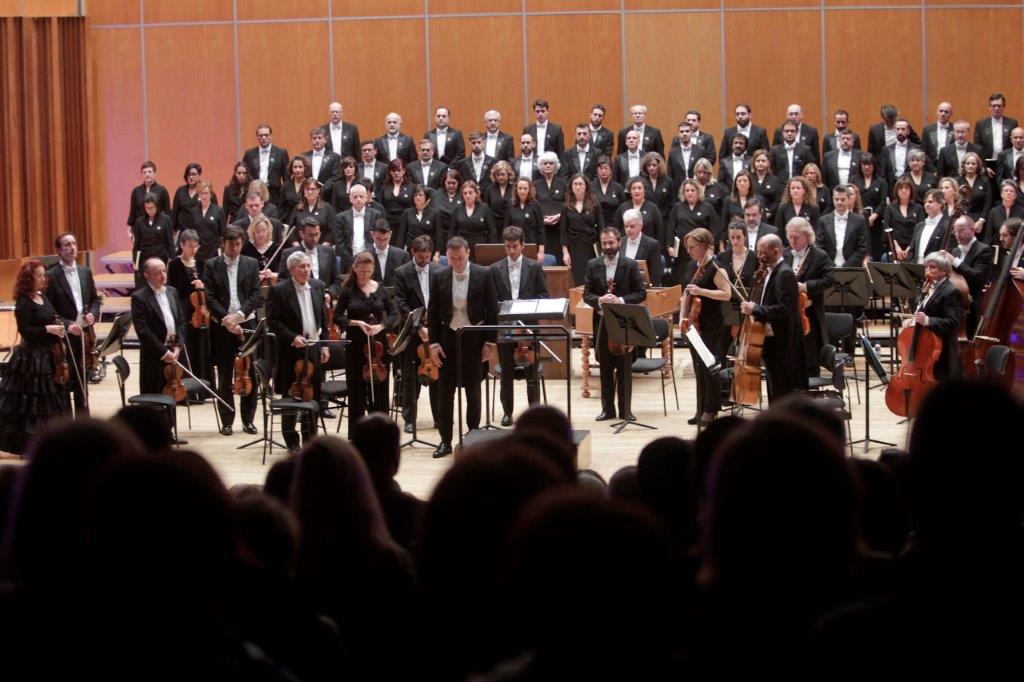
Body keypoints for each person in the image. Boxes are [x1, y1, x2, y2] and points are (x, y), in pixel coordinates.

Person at [427, 236, 499, 458]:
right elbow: (433, 312)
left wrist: (489, 341)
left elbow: (492, 309)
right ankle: (445, 441)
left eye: (460, 258)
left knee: (473, 392)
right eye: (451, 259)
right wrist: (434, 343)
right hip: (448, 338)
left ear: (468, 253)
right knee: (445, 394)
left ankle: (473, 438)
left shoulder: (483, 274)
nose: (456, 263)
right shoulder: (439, 275)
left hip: (474, 337)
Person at [0, 261, 70, 453]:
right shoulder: (23, 302)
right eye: (39, 275)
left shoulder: (43, 296)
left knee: (50, 400)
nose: (43, 278)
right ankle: (29, 445)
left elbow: (53, 316)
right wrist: (47, 329)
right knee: (32, 404)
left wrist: (61, 326)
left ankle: (52, 442)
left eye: (43, 275)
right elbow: (26, 331)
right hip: (31, 360)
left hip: (49, 356)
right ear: (29, 279)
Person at [266, 251, 331, 451]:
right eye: (301, 267)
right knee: (291, 396)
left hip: (314, 347)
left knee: (313, 394)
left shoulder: (318, 286)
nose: (306, 270)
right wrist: (292, 337)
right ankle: (292, 442)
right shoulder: (279, 290)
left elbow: (323, 317)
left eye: (308, 266)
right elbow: (273, 321)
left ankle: (311, 442)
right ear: (291, 269)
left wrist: (325, 344)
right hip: (291, 350)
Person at [584, 227, 647, 422]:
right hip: (602, 322)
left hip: (623, 323)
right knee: (605, 367)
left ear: (619, 242)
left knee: (624, 368)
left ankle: (625, 411)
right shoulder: (593, 264)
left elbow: (641, 293)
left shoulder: (629, 265)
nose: (608, 247)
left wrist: (619, 300)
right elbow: (586, 294)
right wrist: (601, 300)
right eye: (604, 243)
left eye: (611, 243)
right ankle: (607, 410)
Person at [334, 251, 399, 438]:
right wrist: (357, 323)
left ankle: (381, 436)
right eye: (362, 272)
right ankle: (357, 438)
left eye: (369, 272)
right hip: (356, 347)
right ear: (354, 269)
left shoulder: (380, 288)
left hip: (379, 348)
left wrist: (381, 326)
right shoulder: (347, 291)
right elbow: (338, 317)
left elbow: (394, 314)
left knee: (380, 392)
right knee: (357, 394)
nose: (365, 275)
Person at [202, 226, 260, 436]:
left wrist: (239, 316)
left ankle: (248, 420)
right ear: (222, 243)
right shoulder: (211, 265)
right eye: (230, 244)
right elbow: (209, 297)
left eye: (237, 244)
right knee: (225, 374)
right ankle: (227, 420)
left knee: (249, 372)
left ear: (241, 244)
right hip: (222, 326)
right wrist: (226, 320)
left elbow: (255, 295)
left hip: (246, 323)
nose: (234, 248)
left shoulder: (251, 264)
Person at [490, 226, 549, 425]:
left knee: (531, 372)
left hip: (529, 328)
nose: (511, 251)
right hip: (506, 329)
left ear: (522, 245)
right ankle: (507, 412)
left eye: (515, 246)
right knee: (506, 372)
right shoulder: (495, 269)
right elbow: (493, 300)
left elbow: (543, 296)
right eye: (507, 247)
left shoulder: (534, 267)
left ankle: (534, 414)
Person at [740, 234, 808, 401]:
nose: (759, 256)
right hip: (771, 339)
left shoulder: (785, 274)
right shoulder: (770, 271)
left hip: (782, 343)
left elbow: (784, 308)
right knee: (774, 387)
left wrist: (756, 309)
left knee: (781, 390)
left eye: (762, 253)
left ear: (776, 251)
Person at [129, 258, 187, 440]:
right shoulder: (139, 297)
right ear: (147, 275)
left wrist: (177, 346)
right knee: (155, 395)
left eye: (164, 271)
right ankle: (154, 437)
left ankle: (169, 432)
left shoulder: (172, 291)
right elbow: (143, 330)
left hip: (173, 350)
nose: (163, 275)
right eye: (158, 272)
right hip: (155, 356)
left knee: (172, 391)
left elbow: (179, 322)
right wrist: (164, 352)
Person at [680, 228, 731, 426]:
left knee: (710, 368)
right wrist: (682, 315)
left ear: (703, 246)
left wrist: (702, 290)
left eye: (692, 247)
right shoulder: (693, 266)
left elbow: (726, 294)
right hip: (694, 323)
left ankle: (711, 409)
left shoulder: (716, 268)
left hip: (711, 324)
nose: (689, 251)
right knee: (698, 368)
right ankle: (700, 407)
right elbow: (687, 292)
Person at [46, 232, 102, 408]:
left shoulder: (85, 272)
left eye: (74, 244)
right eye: (67, 245)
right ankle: (66, 424)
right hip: (64, 337)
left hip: (85, 334)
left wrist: (93, 312)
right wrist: (68, 324)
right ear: (59, 250)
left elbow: (95, 299)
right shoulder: (51, 275)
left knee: (82, 380)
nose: (72, 248)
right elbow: (49, 310)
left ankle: (83, 423)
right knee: (65, 379)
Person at [393, 236, 442, 433]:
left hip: (435, 330)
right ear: (413, 253)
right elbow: (402, 305)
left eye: (427, 257)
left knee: (437, 375)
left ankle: (439, 417)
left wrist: (433, 327)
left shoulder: (438, 270)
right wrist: (419, 328)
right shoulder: (401, 273)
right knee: (410, 376)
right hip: (413, 332)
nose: (424, 261)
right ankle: (409, 419)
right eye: (420, 257)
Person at [784, 218, 835, 377]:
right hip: (787, 314)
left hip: (809, 314)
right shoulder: (785, 254)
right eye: (790, 237)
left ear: (807, 236)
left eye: (797, 237)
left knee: (810, 357)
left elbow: (829, 279)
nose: (793, 241)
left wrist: (806, 286)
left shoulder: (819, 255)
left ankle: (811, 395)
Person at [900, 252, 963, 380]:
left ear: (944, 271)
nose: (928, 270)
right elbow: (921, 312)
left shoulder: (951, 291)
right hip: (925, 345)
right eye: (927, 267)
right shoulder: (927, 287)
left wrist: (927, 320)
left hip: (941, 351)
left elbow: (952, 323)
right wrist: (912, 322)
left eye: (932, 267)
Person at [166, 229, 210, 384]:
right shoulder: (174, 265)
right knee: (188, 346)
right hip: (183, 310)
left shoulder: (202, 263)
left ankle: (204, 384)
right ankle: (187, 385)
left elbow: (211, 288)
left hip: (201, 311)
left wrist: (203, 285)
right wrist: (190, 287)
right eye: (190, 246)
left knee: (202, 347)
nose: (193, 249)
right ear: (182, 245)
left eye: (195, 246)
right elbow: (171, 290)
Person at [941, 215, 992, 337]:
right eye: (955, 231)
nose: (957, 234)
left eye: (961, 230)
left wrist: (955, 261)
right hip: (955, 304)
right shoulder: (956, 251)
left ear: (972, 229)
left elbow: (977, 277)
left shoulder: (983, 250)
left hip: (972, 305)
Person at [716, 221, 759, 361]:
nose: (735, 241)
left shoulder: (754, 257)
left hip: (747, 308)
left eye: (738, 237)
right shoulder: (723, 257)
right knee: (724, 347)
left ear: (745, 237)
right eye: (732, 237)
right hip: (727, 309)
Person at [669, 178, 719, 282]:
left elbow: (714, 228)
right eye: (687, 190)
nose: (690, 193)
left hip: (701, 251)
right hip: (682, 252)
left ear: (698, 191)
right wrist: (670, 246)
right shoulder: (677, 207)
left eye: (692, 190)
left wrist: (711, 245)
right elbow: (670, 228)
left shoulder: (707, 207)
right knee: (682, 279)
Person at [560, 173, 604, 285]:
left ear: (586, 186)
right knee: (577, 280)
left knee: (592, 279)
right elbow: (563, 230)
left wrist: (603, 250)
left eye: (580, 184)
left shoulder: (594, 204)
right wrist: (565, 252)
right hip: (574, 248)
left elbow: (601, 228)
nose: (578, 187)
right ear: (571, 186)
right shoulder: (566, 206)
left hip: (591, 247)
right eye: (575, 184)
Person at [333, 181, 384, 272]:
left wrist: (367, 259)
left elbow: (378, 239)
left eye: (361, 196)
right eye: (355, 197)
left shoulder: (376, 215)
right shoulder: (340, 217)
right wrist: (352, 262)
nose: (358, 199)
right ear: (350, 199)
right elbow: (340, 244)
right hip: (348, 262)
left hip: (371, 260)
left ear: (366, 198)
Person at [817, 185, 869, 267]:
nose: (839, 202)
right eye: (836, 199)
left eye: (842, 199)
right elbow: (820, 247)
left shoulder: (860, 220)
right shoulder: (823, 221)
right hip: (829, 269)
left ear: (848, 199)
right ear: (833, 200)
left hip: (852, 269)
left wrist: (846, 267)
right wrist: (832, 266)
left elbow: (861, 248)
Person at [130, 192, 174, 289]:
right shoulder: (139, 222)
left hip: (161, 257)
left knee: (161, 285)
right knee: (145, 286)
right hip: (145, 258)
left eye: (152, 207)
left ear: (157, 206)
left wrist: (171, 260)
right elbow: (136, 244)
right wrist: (135, 261)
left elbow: (170, 241)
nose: (149, 210)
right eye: (147, 208)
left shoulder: (165, 219)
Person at [449, 180, 497, 261]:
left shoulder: (484, 207)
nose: (468, 195)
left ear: (476, 193)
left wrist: (491, 249)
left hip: (480, 247)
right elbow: (452, 231)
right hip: (462, 247)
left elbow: (492, 230)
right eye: (465, 193)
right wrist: (450, 248)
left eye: (470, 192)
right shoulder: (457, 208)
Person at [242, 123, 289, 205]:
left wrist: (284, 195)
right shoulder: (249, 154)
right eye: (261, 135)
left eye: (266, 135)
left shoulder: (281, 153)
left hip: (274, 194)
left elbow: (286, 176)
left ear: (271, 136)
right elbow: (246, 175)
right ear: (257, 137)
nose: (264, 138)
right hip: (254, 192)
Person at [900, 189, 950, 263]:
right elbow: (912, 250)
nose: (927, 204)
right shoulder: (919, 226)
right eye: (925, 202)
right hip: (917, 270)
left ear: (941, 203)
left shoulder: (947, 227)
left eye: (930, 202)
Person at [535, 152, 567, 262]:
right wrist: (542, 220)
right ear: (541, 166)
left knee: (558, 260)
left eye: (551, 163)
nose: (548, 165)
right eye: (545, 163)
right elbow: (533, 206)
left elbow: (568, 205)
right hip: (542, 229)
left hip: (559, 228)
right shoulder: (535, 185)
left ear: (555, 166)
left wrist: (559, 216)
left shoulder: (563, 183)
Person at [619, 208, 662, 288]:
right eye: (626, 226)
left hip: (642, 290)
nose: (628, 229)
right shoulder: (620, 242)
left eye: (632, 226)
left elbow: (655, 276)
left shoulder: (652, 244)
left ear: (641, 226)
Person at [506, 178, 546, 261]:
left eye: (525, 188)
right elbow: (506, 228)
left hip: (531, 244)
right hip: (514, 246)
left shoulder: (535, 205)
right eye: (520, 188)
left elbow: (541, 229)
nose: (522, 191)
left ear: (530, 189)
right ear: (516, 189)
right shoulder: (511, 205)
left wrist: (541, 250)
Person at [126, 160, 170, 234]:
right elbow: (132, 212)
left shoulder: (162, 190)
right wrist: (130, 229)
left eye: (149, 172)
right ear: (141, 174)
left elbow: (167, 212)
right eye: (144, 172)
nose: (147, 174)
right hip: (140, 229)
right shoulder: (136, 191)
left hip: (158, 229)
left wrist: (169, 230)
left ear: (155, 173)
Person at [289, 177, 336, 245]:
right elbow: (291, 229)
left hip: (321, 247)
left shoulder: (326, 207)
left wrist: (324, 246)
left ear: (318, 190)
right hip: (300, 248)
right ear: (303, 191)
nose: (310, 192)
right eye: (307, 189)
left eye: (313, 189)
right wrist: (296, 245)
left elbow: (333, 229)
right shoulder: (297, 208)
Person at [187, 180, 225, 263]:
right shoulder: (193, 211)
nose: (203, 196)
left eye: (206, 193)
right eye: (201, 193)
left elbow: (223, 232)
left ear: (211, 194)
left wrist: (221, 249)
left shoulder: (218, 210)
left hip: (213, 250)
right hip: (198, 250)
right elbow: (190, 231)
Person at [774, 175, 821, 242]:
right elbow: (779, 230)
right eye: (792, 188)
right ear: (789, 191)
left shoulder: (813, 207)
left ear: (804, 190)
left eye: (798, 188)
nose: (795, 190)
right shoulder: (783, 207)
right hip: (787, 247)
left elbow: (816, 230)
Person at [367, 219, 410, 287]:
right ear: (372, 234)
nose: (382, 243)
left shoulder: (403, 256)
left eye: (385, 239)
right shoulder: (363, 256)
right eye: (378, 239)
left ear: (390, 234)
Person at [399, 185, 440, 253]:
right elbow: (401, 235)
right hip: (411, 250)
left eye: (420, 195)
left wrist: (437, 253)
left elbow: (438, 235)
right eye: (415, 195)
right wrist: (400, 251)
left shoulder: (434, 213)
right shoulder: (407, 212)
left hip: (427, 250)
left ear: (426, 197)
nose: (417, 197)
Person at [170, 163, 207, 237]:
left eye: (194, 174)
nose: (191, 177)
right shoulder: (180, 191)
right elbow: (174, 213)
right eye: (188, 174)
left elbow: (212, 210)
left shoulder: (204, 191)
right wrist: (172, 231)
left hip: (201, 233)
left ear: (199, 175)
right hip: (184, 233)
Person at [241, 215, 282, 281]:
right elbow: (241, 273)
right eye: (257, 231)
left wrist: (272, 274)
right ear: (252, 232)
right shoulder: (245, 249)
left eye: (263, 230)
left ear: (268, 230)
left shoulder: (277, 248)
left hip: (273, 286)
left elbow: (283, 274)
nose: (261, 234)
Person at [379, 158, 415, 234]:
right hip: (388, 224)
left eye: (399, 170)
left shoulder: (412, 187)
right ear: (390, 172)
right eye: (393, 170)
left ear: (404, 171)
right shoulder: (384, 187)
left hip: (405, 223)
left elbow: (413, 207)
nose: (396, 173)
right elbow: (382, 206)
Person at [985, 179, 1024, 245]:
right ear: (1001, 194)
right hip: (997, 247)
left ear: (1015, 196)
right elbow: (988, 235)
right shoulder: (993, 212)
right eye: (1006, 191)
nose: (1008, 193)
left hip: (1016, 248)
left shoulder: (1022, 211)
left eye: (1011, 191)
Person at [591, 155, 625, 227]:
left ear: (611, 169)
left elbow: (623, 208)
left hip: (614, 226)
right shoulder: (590, 187)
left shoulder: (618, 188)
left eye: (606, 168)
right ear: (597, 170)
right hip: (595, 226)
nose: (603, 171)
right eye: (600, 168)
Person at [484, 160, 515, 227]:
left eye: (502, 174)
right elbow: (486, 208)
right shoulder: (489, 189)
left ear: (508, 174)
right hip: (494, 224)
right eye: (498, 175)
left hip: (511, 224)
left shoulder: (514, 188)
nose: (500, 177)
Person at [279, 155, 310, 220]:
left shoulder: (310, 185)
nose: (297, 170)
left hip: (306, 220)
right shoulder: (285, 186)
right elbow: (281, 208)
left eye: (300, 167)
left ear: (305, 168)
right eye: (295, 167)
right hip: (288, 221)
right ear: (291, 169)